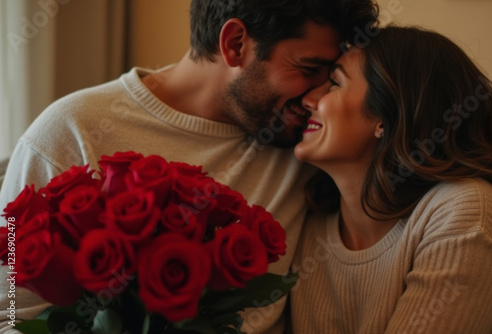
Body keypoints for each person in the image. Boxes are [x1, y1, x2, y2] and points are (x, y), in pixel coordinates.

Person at [0, 0, 379, 333]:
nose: (317, 95)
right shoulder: (70, 132)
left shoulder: (310, 142)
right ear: (235, 44)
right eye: (308, 68)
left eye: (328, 77)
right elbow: (8, 311)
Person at [289, 25, 492, 333]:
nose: (308, 99)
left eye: (334, 83)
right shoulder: (307, 229)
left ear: (386, 116)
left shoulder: (465, 211)